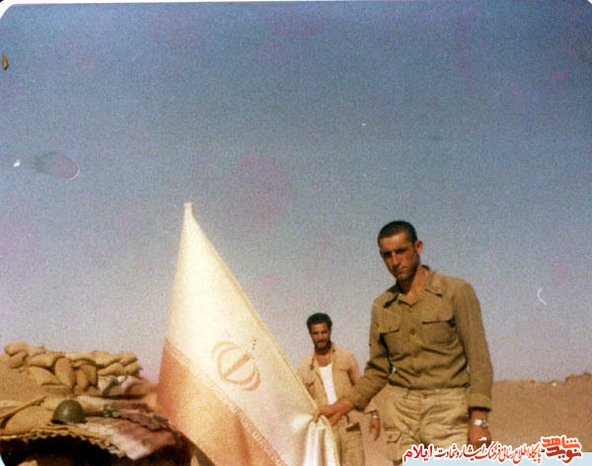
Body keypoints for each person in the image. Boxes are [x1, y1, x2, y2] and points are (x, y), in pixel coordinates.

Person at [314, 221, 493, 463]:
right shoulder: (382, 306)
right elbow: (378, 370)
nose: (395, 261)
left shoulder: (456, 292)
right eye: (387, 255)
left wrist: (479, 421)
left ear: (418, 247)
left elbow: (479, 360)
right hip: (402, 416)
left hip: (448, 411)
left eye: (401, 251)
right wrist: (342, 405)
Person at [298, 313, 380, 466]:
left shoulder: (345, 357)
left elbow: (362, 387)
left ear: (330, 331)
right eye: (316, 333)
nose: (320, 337)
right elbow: (302, 403)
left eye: (323, 332)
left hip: (349, 425)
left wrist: (374, 415)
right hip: (326, 428)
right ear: (310, 334)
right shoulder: (305, 368)